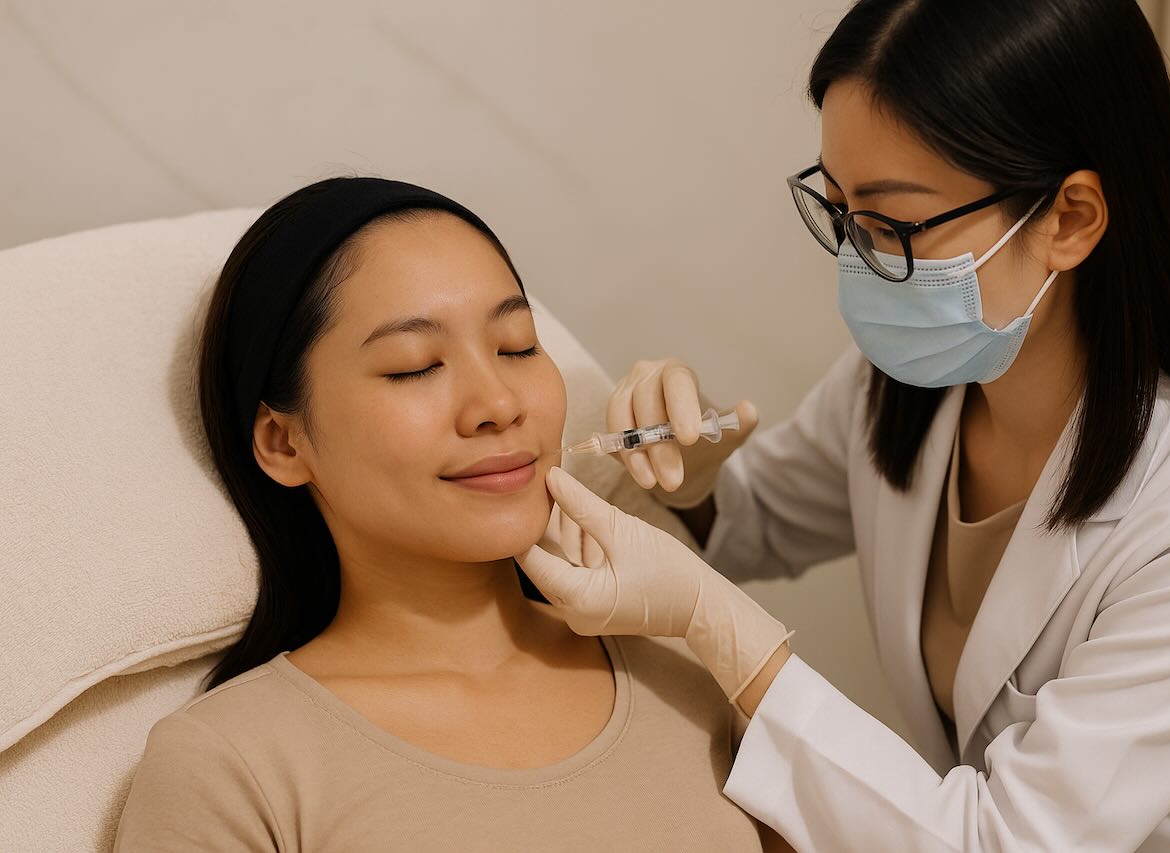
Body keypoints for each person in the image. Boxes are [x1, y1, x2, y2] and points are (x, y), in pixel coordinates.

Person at [516, 1, 1170, 849]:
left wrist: (714, 619)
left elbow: (1004, 841)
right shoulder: (909, 387)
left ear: (1068, 219)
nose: (858, 261)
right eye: (839, 210)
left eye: (890, 224)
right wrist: (696, 483)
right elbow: (754, 524)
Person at [113, 177, 788, 852]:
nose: (497, 401)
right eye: (414, 366)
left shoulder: (689, 671)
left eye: (518, 345)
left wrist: (735, 640)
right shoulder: (228, 768)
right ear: (285, 441)